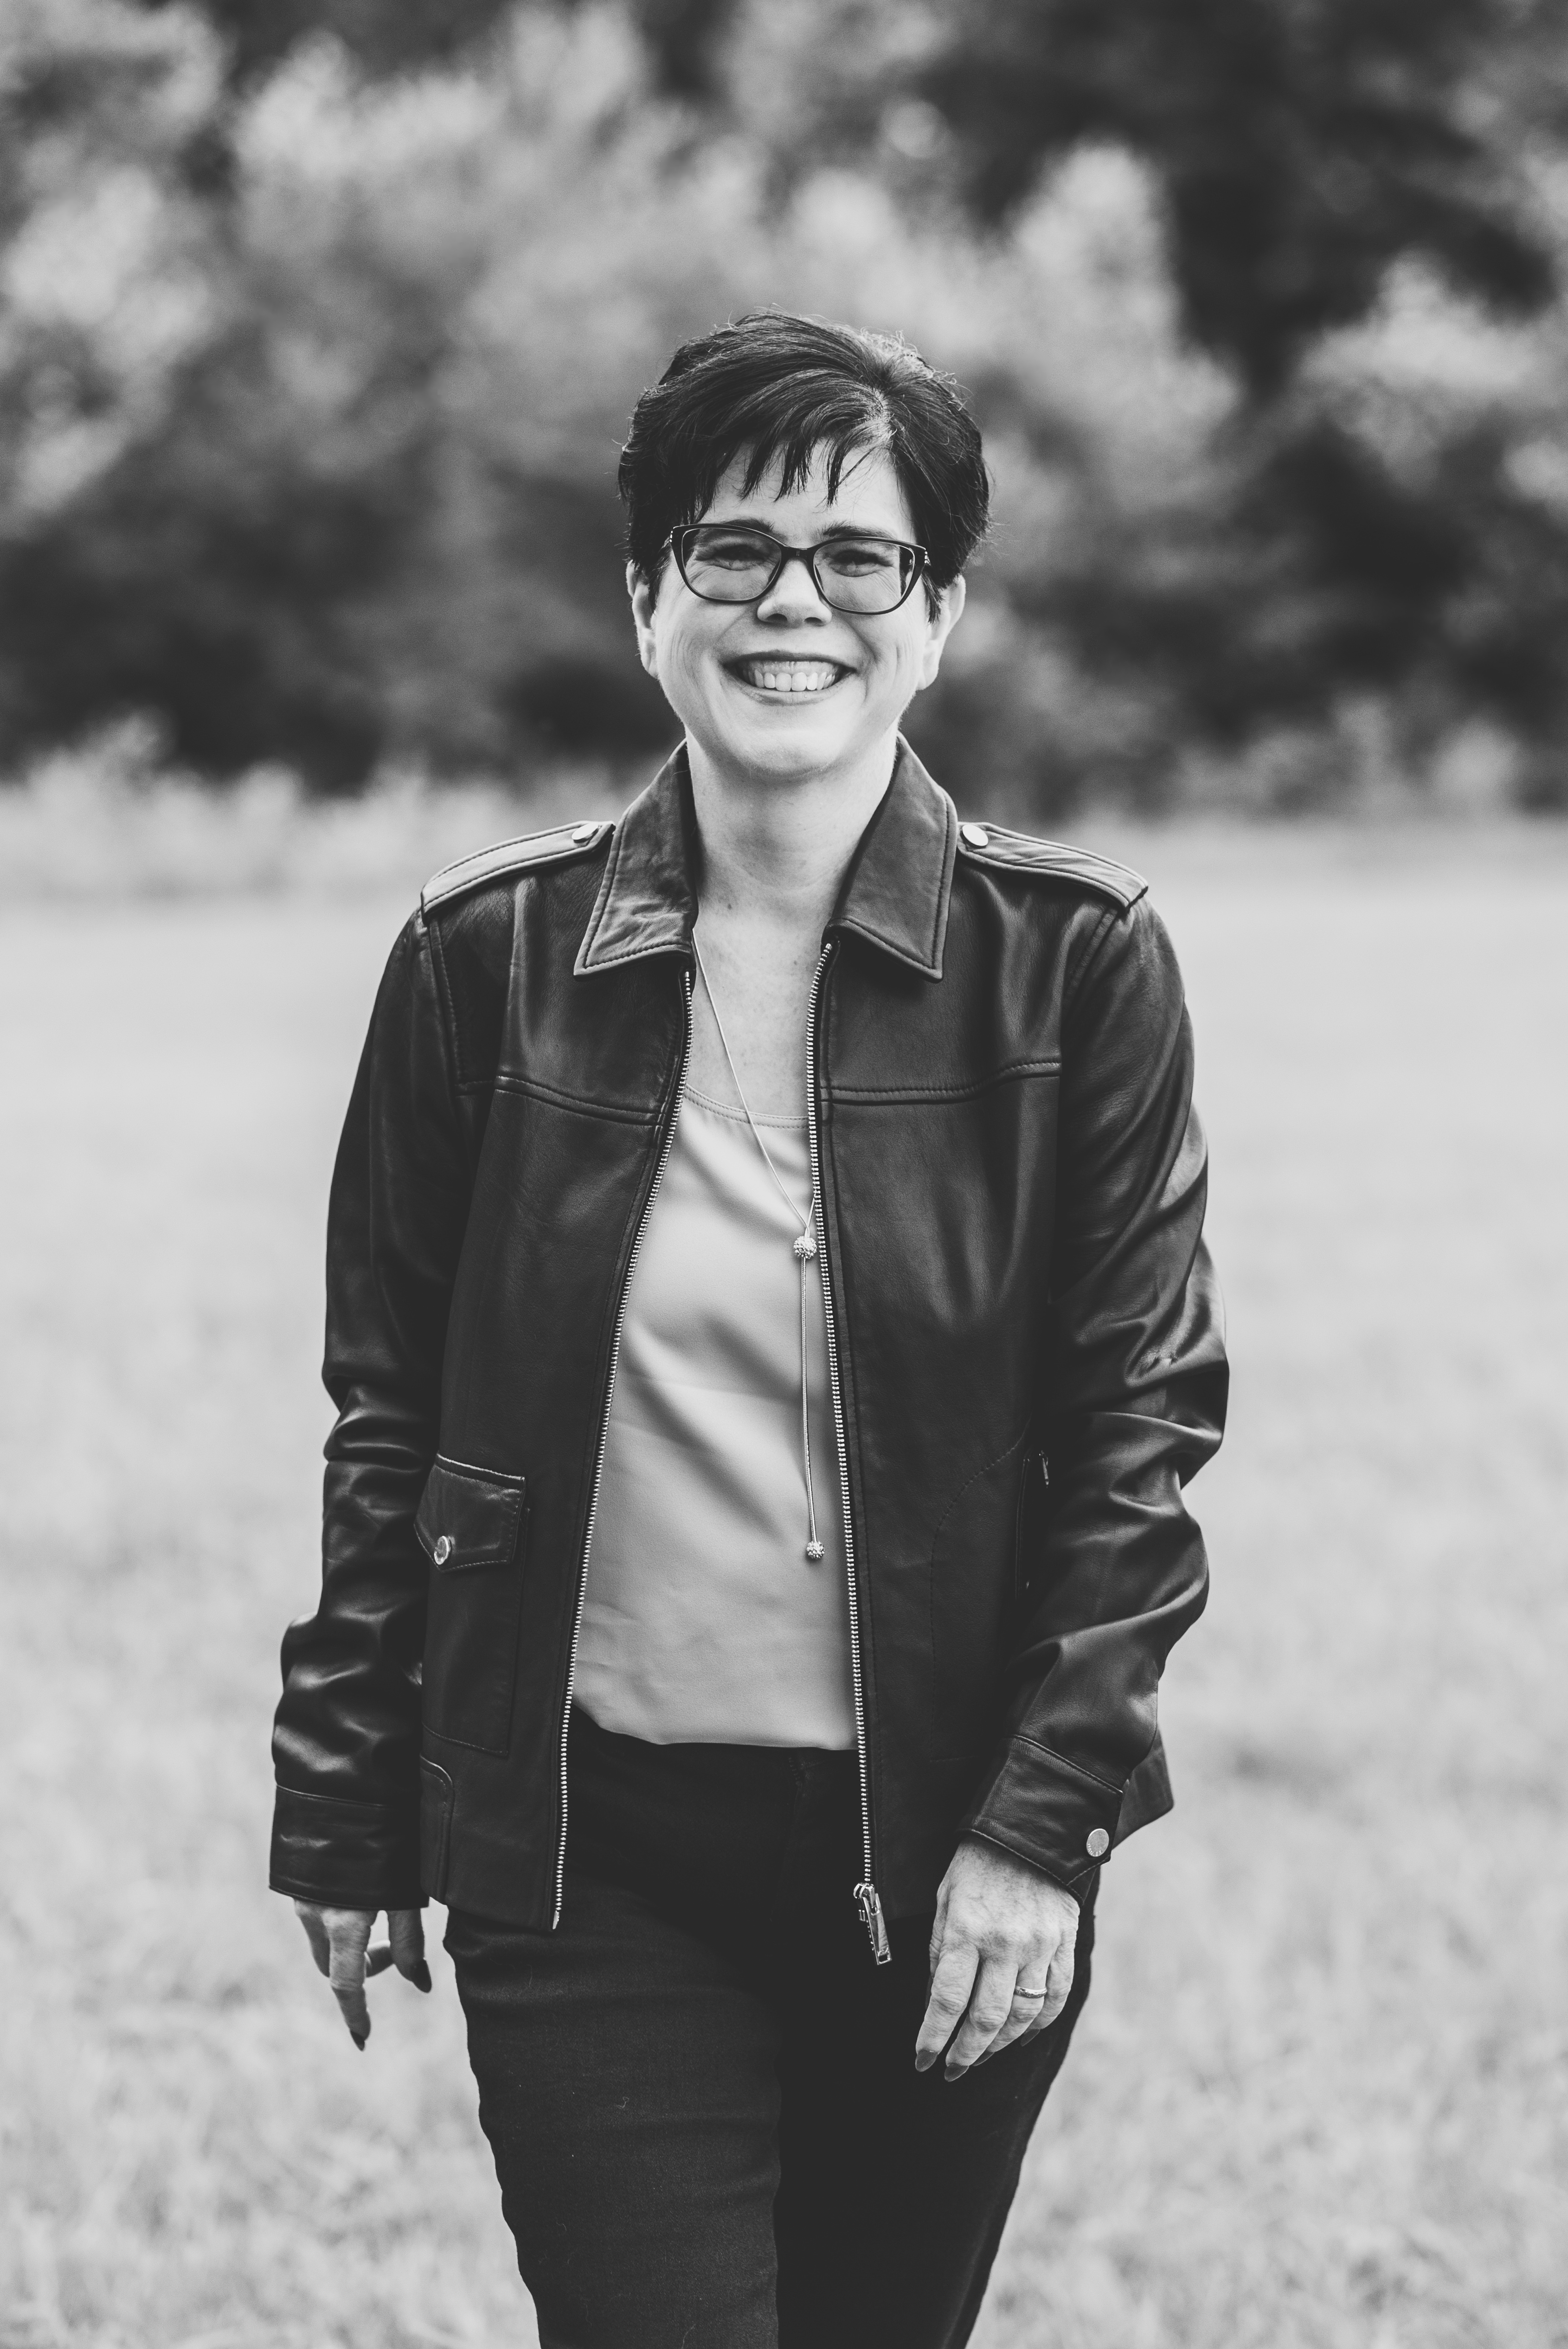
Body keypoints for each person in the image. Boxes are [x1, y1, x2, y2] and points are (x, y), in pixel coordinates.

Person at [271, 310, 1228, 2349]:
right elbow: (390, 1415)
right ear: (645, 604)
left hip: (946, 1854)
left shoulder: (1075, 971)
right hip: (590, 1849)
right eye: (730, 551)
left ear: (937, 615)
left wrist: (1034, 1837)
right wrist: (346, 1801)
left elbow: (1137, 1442)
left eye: (858, 558)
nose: (792, 604)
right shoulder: (477, 966)